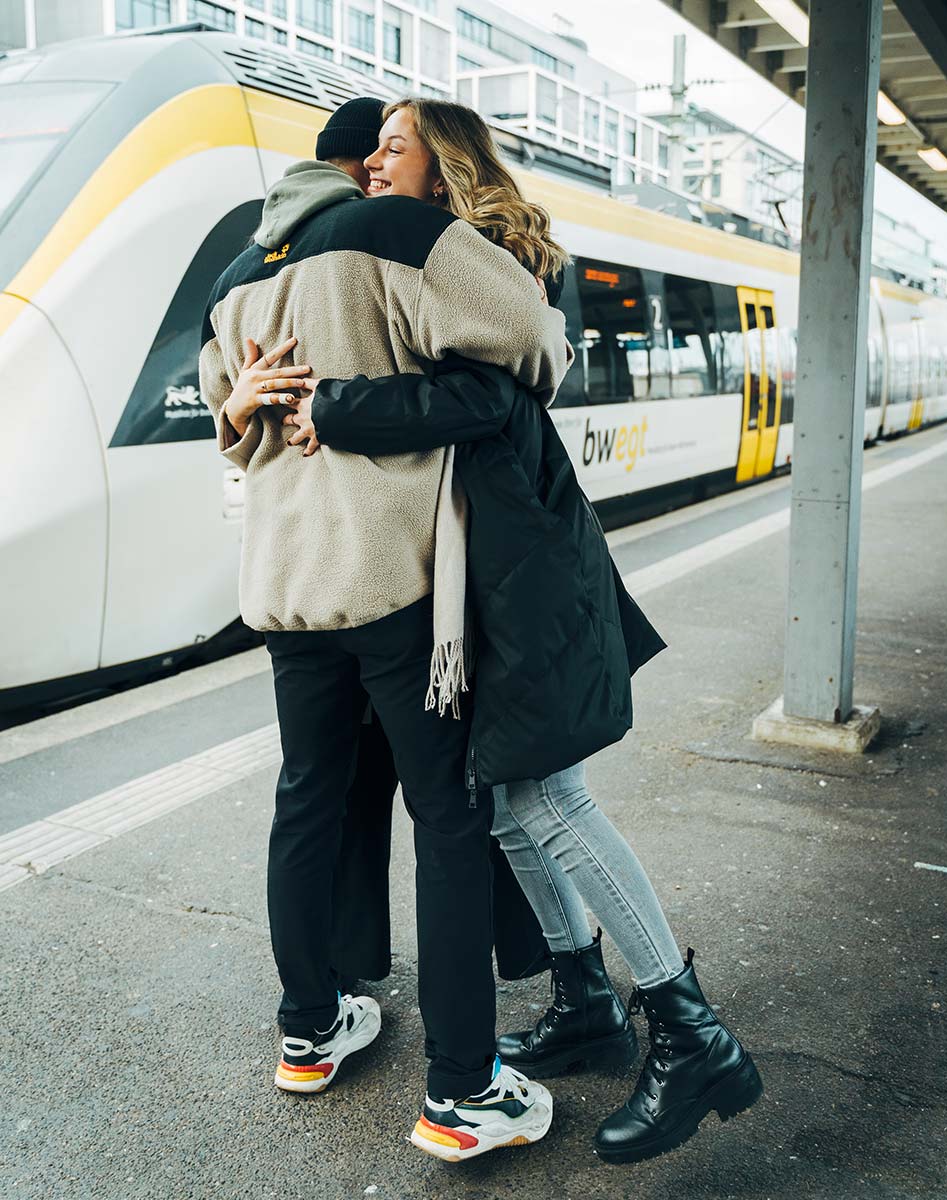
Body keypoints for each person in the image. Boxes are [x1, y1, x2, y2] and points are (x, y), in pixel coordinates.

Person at [262, 96, 764, 1166]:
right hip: (469, 573)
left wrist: (340, 409)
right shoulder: (388, 251)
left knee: (547, 795)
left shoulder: (475, 254)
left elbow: (490, 399)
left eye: (394, 149)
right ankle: (586, 995)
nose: (371, 168)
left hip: (514, 563)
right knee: (498, 800)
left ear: (443, 168)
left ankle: (688, 1026)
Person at [199, 95, 569, 1160]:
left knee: (307, 800)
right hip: (392, 582)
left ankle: (310, 1030)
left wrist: (249, 408)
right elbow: (530, 341)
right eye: (392, 148)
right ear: (374, 162)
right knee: (449, 820)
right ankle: (462, 1092)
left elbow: (227, 409)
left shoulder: (245, 270)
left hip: (284, 584)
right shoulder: (400, 232)